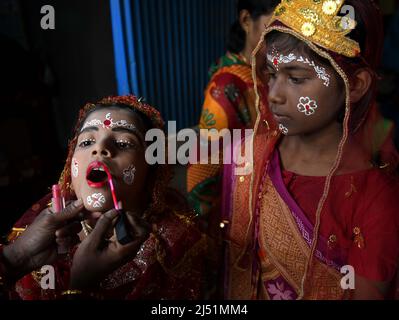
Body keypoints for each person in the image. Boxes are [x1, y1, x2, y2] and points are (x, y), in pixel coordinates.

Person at [222, 0, 399, 300]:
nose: (274, 94)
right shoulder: (248, 158)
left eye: (296, 78)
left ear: (354, 85)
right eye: (272, 74)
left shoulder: (376, 198)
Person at [1, 95, 205, 300]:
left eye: (125, 143)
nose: (99, 149)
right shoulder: (35, 228)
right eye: (87, 142)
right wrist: (15, 257)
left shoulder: (175, 246)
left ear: (152, 171)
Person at [187, 0, 279, 218]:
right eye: (274, 29)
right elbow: (204, 172)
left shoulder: (276, 73)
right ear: (246, 20)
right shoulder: (227, 87)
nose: (284, 40)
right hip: (243, 210)